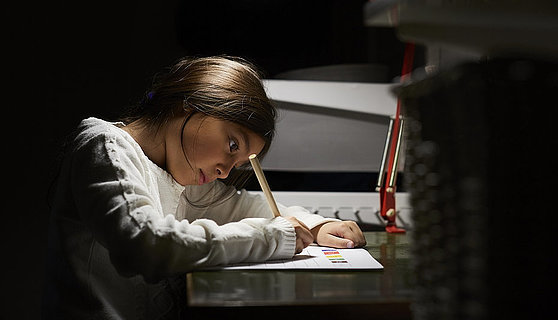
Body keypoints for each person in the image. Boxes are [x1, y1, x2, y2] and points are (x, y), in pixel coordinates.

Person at [43, 56, 365, 319]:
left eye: (238, 164)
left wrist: (315, 225)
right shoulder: (103, 145)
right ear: (193, 103)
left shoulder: (180, 177)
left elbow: (248, 207)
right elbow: (145, 244)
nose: (225, 171)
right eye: (232, 144)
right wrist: (273, 236)